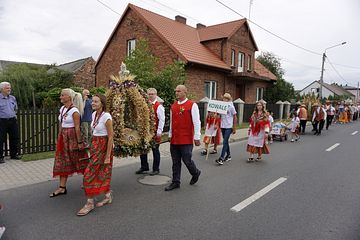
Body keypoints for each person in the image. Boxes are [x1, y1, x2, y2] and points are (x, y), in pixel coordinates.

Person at [77, 94, 114, 216]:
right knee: (101, 172)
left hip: (104, 148)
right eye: (92, 101)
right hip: (95, 147)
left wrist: (108, 156)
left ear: (102, 104)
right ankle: (108, 196)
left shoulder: (107, 117)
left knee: (89, 174)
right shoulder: (93, 115)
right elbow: (95, 133)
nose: (92, 103)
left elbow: (110, 137)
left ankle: (89, 202)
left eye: (96, 102)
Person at [50, 88, 87, 198]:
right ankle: (62, 187)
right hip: (64, 137)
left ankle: (88, 181)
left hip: (72, 137)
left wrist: (80, 142)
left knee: (79, 160)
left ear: (69, 97)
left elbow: (77, 127)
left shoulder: (74, 111)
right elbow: (61, 124)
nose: (60, 97)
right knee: (62, 161)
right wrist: (59, 136)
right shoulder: (62, 109)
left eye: (62, 95)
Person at [165, 85, 201, 191]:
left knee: (187, 160)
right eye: (175, 91)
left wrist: (197, 136)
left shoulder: (192, 105)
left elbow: (197, 121)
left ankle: (195, 172)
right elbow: (172, 122)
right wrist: (170, 134)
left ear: (185, 92)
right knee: (175, 161)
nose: (176, 93)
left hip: (186, 139)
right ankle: (176, 182)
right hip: (175, 139)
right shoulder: (173, 106)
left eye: (179, 91)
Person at [136, 88, 165, 176]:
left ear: (156, 95)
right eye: (149, 94)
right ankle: (144, 166)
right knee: (143, 149)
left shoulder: (158, 106)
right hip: (145, 131)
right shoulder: (144, 104)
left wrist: (159, 132)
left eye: (152, 94)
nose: (150, 95)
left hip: (154, 132)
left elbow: (162, 120)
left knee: (155, 150)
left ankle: (156, 169)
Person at [0, 82, 22, 164]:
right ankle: (0, 157)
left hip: (12, 120)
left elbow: (15, 108)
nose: (9, 89)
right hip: (2, 121)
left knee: (15, 137)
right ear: (2, 89)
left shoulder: (12, 98)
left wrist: (13, 115)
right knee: (0, 139)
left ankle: (14, 154)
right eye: (7, 88)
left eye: (9, 88)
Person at [215, 93, 237, 165]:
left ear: (228, 99)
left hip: (229, 126)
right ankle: (229, 155)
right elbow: (219, 117)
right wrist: (216, 116)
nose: (223, 99)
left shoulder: (231, 106)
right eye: (223, 98)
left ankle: (221, 158)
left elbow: (235, 117)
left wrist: (234, 127)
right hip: (223, 126)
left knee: (224, 141)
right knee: (226, 141)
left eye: (225, 98)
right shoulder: (222, 106)